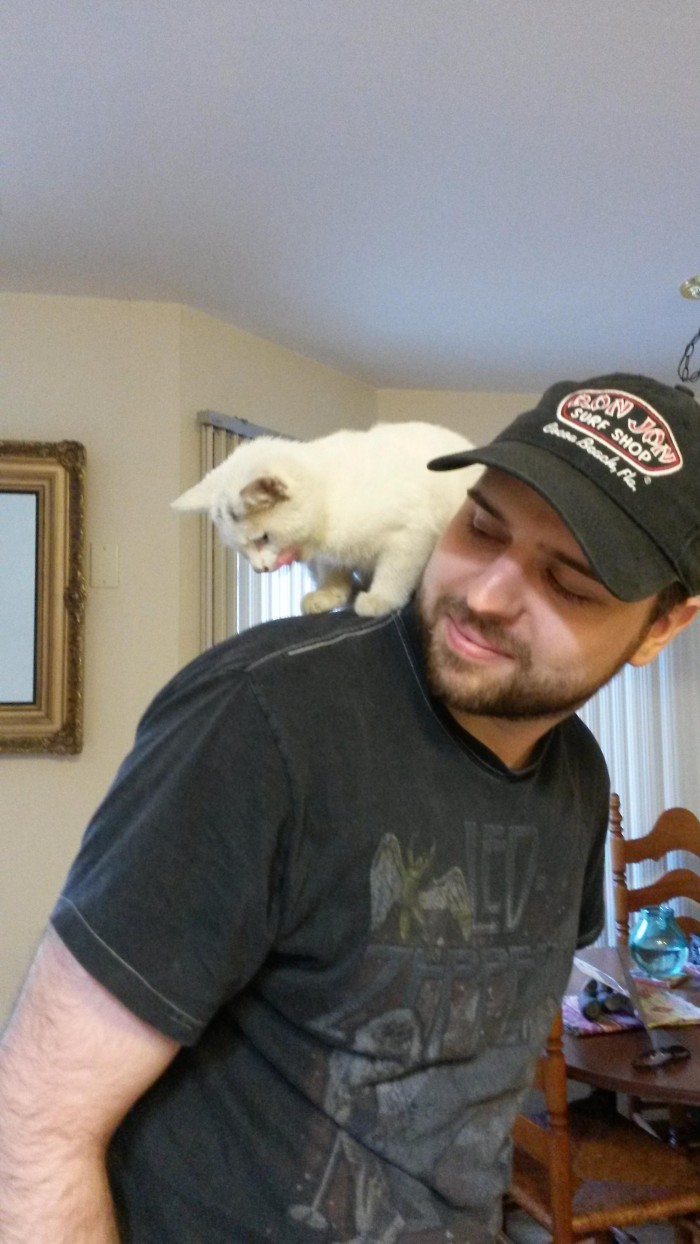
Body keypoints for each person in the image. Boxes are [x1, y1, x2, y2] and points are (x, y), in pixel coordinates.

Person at [1, 373, 699, 1244]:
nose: (485, 594)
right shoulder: (261, 719)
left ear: (662, 628)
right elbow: (36, 1128)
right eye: (482, 526)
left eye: (570, 582)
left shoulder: (579, 780)